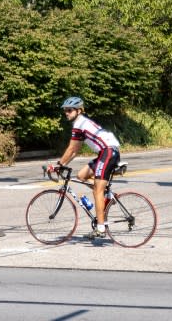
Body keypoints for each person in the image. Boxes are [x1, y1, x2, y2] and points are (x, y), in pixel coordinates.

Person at [48, 96, 120, 239]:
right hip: (105, 152)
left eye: (69, 110)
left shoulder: (79, 124)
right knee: (81, 176)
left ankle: (100, 228)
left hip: (108, 152)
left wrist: (60, 165)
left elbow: (71, 149)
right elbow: (75, 151)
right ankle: (107, 194)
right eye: (65, 111)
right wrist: (62, 164)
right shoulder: (81, 123)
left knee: (97, 191)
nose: (66, 113)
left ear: (79, 110)